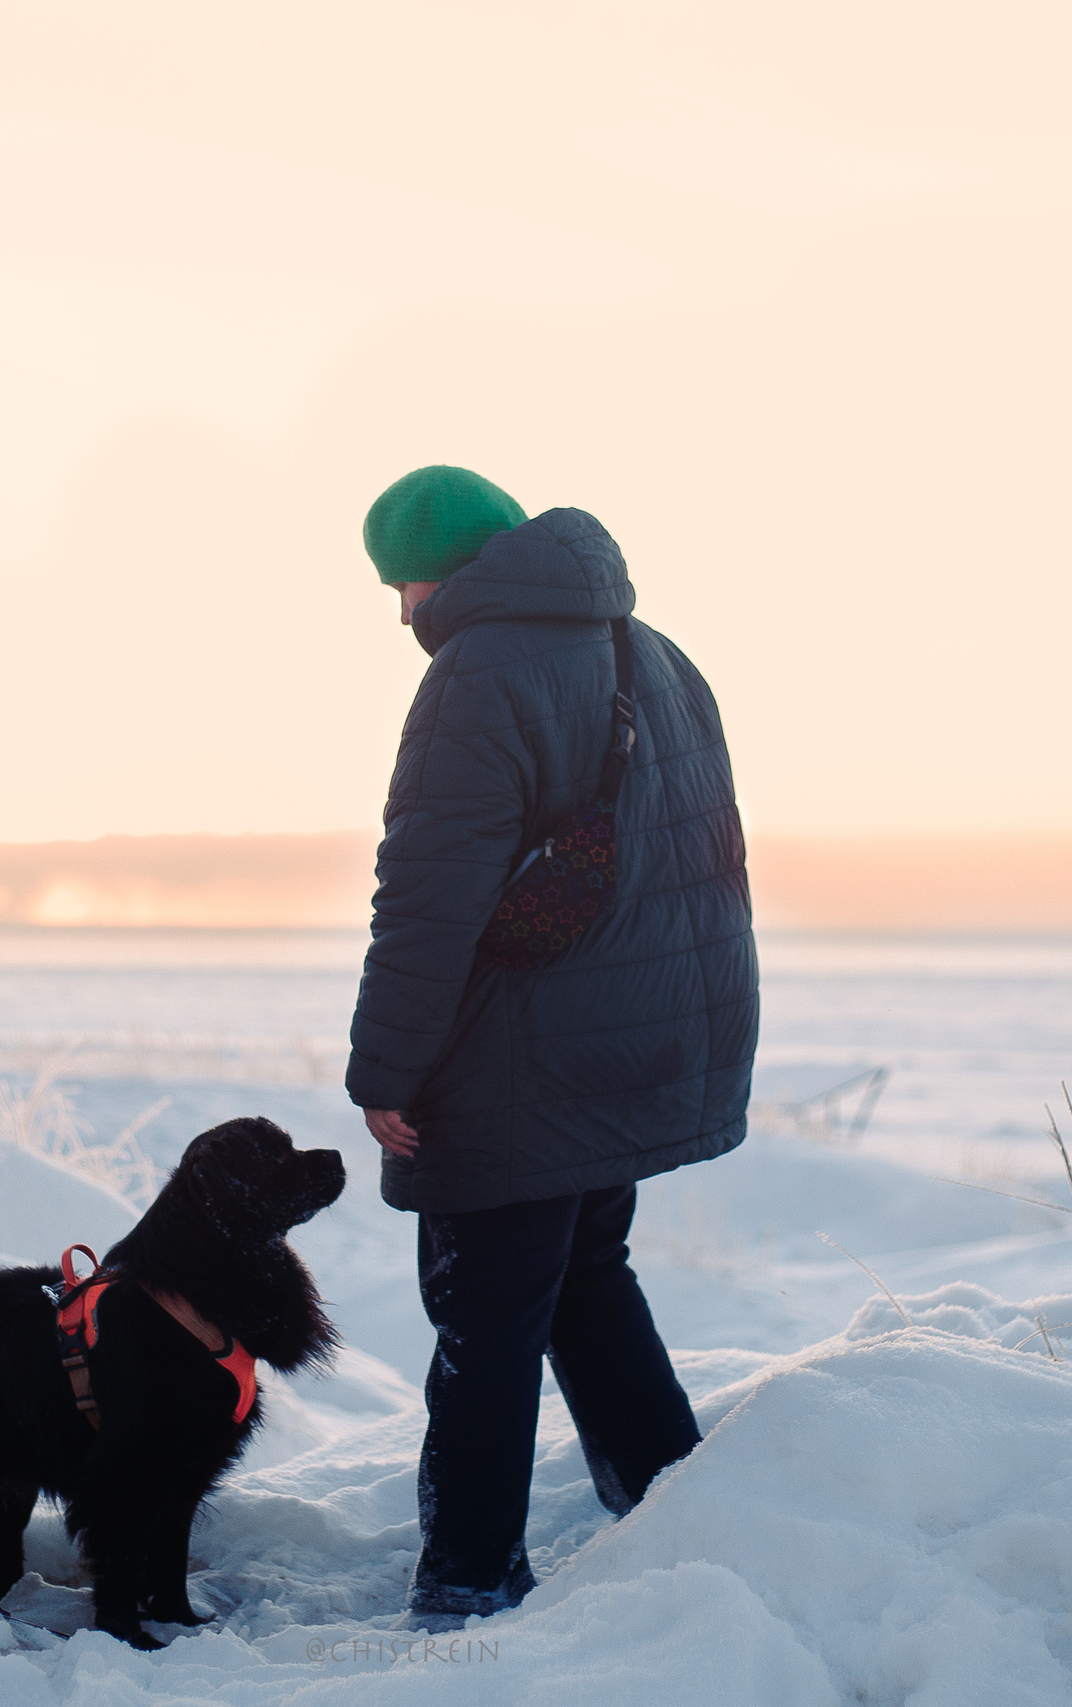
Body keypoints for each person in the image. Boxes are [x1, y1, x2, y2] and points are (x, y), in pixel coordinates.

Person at [346, 464, 759, 1627]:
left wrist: (385, 1070)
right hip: (629, 1041)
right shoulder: (654, 652)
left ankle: (467, 1581)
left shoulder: (480, 673)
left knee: (485, 1318)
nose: (401, 613)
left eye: (405, 583)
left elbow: (426, 900)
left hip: (519, 1059)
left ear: (450, 570)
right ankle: (674, 1508)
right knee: (583, 1273)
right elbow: (701, 865)